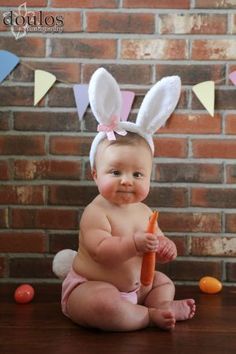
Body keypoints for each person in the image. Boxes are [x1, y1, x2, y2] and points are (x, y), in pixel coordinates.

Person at [57, 68, 196, 331]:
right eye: (115, 171)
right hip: (93, 285)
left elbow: (157, 242)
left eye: (138, 174)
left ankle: (159, 304)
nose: (126, 180)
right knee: (102, 305)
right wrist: (134, 243)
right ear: (95, 174)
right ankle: (147, 316)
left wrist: (165, 246)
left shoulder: (144, 211)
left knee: (164, 281)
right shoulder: (96, 212)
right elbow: (101, 252)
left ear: (149, 177)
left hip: (138, 287)